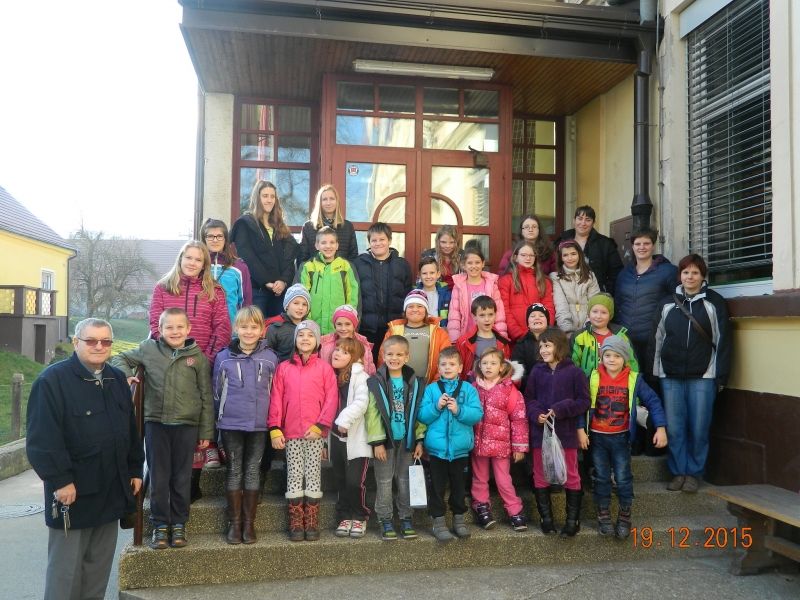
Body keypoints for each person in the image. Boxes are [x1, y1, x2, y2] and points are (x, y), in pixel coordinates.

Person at [26, 318, 144, 600]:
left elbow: (130, 430)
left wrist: (134, 469)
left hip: (111, 490)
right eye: (91, 340)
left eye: (106, 341)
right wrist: (60, 480)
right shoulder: (52, 381)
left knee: (97, 572)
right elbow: (43, 438)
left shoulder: (116, 379)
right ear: (76, 342)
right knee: (65, 575)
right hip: (73, 494)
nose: (99, 346)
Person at [113, 307, 214, 549]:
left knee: (181, 477)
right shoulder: (149, 349)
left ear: (188, 329)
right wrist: (127, 376)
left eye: (180, 327)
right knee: (159, 478)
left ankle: (178, 523)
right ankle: (160, 524)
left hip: (187, 425)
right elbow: (120, 358)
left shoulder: (197, 357)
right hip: (156, 423)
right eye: (169, 327)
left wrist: (206, 432)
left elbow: (206, 396)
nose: (175, 331)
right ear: (160, 329)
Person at [148, 240, 231, 481]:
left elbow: (222, 327)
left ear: (204, 264)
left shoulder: (215, 291)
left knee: (201, 405)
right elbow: (155, 325)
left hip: (202, 359)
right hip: (170, 362)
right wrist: (170, 356)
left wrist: (207, 358)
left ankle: (206, 449)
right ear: (181, 259)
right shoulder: (163, 288)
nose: (192, 263)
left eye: (198, 259)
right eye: (189, 258)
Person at [651, 254, 731, 494]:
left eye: (695, 272)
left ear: (703, 276)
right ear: (680, 275)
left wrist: (721, 375)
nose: (690, 277)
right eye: (686, 272)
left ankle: (694, 473)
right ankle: (678, 472)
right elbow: (657, 339)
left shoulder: (714, 302)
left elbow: (723, 341)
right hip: (671, 375)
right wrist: (655, 371)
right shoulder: (667, 303)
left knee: (699, 428)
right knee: (675, 428)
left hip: (703, 376)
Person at [585, 336, 667, 539]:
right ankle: (603, 514)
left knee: (623, 478)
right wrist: (580, 430)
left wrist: (661, 428)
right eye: (607, 355)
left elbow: (653, 401)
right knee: (601, 477)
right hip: (597, 438)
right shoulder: (593, 377)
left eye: (617, 356)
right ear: (601, 357)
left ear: (625, 359)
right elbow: (582, 406)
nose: (612, 359)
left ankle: (624, 515)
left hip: (621, 438)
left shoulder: (634, 378)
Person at [212, 306, 278, 545]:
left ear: (262, 330)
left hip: (259, 424)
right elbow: (216, 391)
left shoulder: (270, 358)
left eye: (254, 327)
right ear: (236, 328)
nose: (249, 332)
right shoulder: (223, 357)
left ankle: (249, 524)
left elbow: (276, 392)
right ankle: (235, 523)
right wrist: (218, 421)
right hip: (231, 423)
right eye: (244, 327)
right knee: (234, 469)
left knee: (252, 469)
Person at [268, 321, 338, 542]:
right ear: (295, 340)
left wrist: (321, 426)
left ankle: (312, 520)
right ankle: (296, 521)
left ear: (317, 341)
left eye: (310, 335)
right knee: (295, 474)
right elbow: (276, 398)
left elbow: (331, 399)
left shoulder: (324, 368)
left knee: (313, 474)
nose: (305, 339)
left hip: (314, 432)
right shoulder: (284, 368)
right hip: (291, 432)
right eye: (301, 335)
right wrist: (275, 428)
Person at [524, 327, 590, 537]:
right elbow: (528, 399)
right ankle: (546, 519)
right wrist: (536, 414)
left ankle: (572, 521)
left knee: (571, 474)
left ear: (559, 346)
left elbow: (584, 401)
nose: (543, 350)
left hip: (566, 433)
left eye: (548, 345)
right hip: (540, 433)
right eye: (541, 346)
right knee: (540, 474)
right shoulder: (536, 371)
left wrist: (561, 409)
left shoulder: (575, 372)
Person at [418, 347, 483, 541]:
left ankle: (459, 520)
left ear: (460, 367)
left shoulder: (468, 389)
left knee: (458, 487)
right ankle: (438, 521)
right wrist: (436, 406)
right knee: (437, 487)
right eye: (444, 364)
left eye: (452, 364)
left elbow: (477, 414)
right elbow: (422, 415)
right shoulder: (431, 389)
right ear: (438, 367)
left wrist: (458, 410)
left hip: (460, 450)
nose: (447, 367)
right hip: (437, 451)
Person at [365, 335, 426, 541]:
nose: (394, 358)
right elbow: (372, 414)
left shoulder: (415, 382)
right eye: (390, 354)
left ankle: (406, 517)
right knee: (383, 481)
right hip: (386, 442)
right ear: (383, 355)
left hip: (407, 442)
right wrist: (377, 442)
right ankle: (385, 519)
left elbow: (419, 413)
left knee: (405, 479)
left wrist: (419, 439)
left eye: (399, 354)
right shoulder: (376, 382)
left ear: (407, 357)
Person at [470, 347, 529, 532]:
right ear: (479, 365)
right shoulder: (473, 388)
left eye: (493, 363)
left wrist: (519, 447)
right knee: (479, 478)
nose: (488, 367)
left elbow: (519, 419)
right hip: (479, 443)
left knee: (504, 480)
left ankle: (514, 510)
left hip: (501, 445)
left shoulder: (510, 390)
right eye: (485, 363)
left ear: (502, 367)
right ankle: (481, 506)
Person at [613, 229, 678, 382]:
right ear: (632, 246)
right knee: (631, 382)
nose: (642, 247)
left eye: (646, 243)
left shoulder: (668, 271)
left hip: (654, 340)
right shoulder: (624, 274)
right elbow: (618, 303)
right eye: (638, 244)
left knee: (653, 383)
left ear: (653, 246)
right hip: (627, 340)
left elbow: (678, 303)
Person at [231, 180, 299, 319]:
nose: (269, 200)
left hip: (279, 292)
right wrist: (266, 281)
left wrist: (283, 281)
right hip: (257, 290)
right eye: (265, 196)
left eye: (272, 196)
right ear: (257, 197)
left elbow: (289, 258)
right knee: (257, 328)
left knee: (278, 329)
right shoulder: (246, 223)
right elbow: (247, 257)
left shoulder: (279, 226)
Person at [330, 338, 372, 539]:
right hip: (335, 437)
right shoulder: (331, 375)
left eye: (345, 352)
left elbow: (361, 402)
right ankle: (344, 516)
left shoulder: (361, 376)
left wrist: (344, 420)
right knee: (340, 479)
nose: (337, 353)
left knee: (355, 481)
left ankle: (360, 516)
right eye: (337, 349)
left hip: (355, 438)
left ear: (355, 358)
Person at [354, 222, 413, 363]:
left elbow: (407, 294)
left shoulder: (402, 264)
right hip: (367, 328)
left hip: (393, 327)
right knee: (367, 365)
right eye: (374, 240)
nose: (378, 243)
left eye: (382, 239)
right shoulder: (359, 264)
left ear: (389, 241)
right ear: (369, 242)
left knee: (391, 364)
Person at [296, 226, 360, 335]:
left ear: (337, 245)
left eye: (332, 242)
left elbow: (353, 297)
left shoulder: (346, 266)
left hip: (339, 330)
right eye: (323, 242)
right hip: (313, 329)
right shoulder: (308, 266)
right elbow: (302, 296)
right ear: (317, 245)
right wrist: (308, 321)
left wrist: (347, 321)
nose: (328, 246)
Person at [381, 289, 451, 384]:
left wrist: (435, 386)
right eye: (410, 306)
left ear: (426, 310)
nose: (415, 309)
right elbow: (382, 359)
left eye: (420, 306)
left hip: (429, 387)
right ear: (405, 310)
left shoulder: (439, 333)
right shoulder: (393, 331)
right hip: (398, 387)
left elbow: (447, 360)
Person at [556, 205, 623, 293]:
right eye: (580, 218)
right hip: (566, 294)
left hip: (596, 294)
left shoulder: (605, 244)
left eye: (588, 220)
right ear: (574, 220)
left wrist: (606, 291)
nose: (583, 223)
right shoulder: (561, 241)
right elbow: (555, 266)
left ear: (593, 223)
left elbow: (616, 273)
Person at [570, 293, 638, 377]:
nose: (598, 316)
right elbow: (573, 365)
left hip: (615, 383)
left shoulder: (621, 336)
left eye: (604, 312)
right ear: (588, 313)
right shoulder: (579, 337)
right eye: (595, 311)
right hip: (586, 383)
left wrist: (633, 381)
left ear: (610, 315)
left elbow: (631, 363)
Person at [448, 245, 507, 342]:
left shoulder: (491, 285)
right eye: (470, 263)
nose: (474, 266)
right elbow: (454, 315)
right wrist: (455, 340)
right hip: (466, 337)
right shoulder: (459, 286)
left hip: (489, 337)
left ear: (483, 263)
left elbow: (499, 313)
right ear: (463, 265)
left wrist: (501, 339)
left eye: (477, 262)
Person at [499, 240, 554, 342]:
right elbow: (504, 311)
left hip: (540, 337)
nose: (528, 258)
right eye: (523, 255)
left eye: (531, 255)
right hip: (516, 339)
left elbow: (549, 308)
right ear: (515, 257)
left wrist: (544, 331)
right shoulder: (506, 281)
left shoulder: (544, 281)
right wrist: (518, 334)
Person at [201, 217, 253, 324]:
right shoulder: (198, 265)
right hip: (202, 327)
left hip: (231, 327)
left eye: (219, 236)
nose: (215, 240)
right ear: (204, 239)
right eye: (210, 236)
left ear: (225, 239)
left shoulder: (239, 267)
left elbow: (246, 303)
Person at [454, 296, 517, 381]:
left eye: (490, 314)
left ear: (495, 314)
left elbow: (505, 371)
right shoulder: (464, 342)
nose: (487, 319)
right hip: (471, 387)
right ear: (474, 316)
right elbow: (457, 371)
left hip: (495, 387)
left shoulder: (503, 342)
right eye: (482, 315)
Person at [550, 240, 601, 335]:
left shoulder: (590, 276)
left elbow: (595, 303)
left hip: (589, 329)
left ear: (579, 255)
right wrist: (567, 331)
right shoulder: (556, 277)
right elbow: (560, 306)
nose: (570, 258)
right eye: (565, 255)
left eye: (573, 254)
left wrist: (588, 327)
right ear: (561, 258)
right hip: (567, 331)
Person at [298, 184, 358, 262]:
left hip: (342, 269)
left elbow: (353, 257)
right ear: (319, 203)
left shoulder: (347, 227)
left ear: (337, 201)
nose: (328, 203)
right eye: (324, 199)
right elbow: (302, 258)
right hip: (315, 269)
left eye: (332, 199)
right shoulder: (308, 227)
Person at [319, 304, 376, 375]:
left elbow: (370, 371)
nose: (343, 328)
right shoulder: (325, 344)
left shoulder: (363, 345)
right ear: (335, 325)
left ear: (354, 325)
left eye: (347, 324)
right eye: (339, 324)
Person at [265, 284, 311, 362]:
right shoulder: (275, 328)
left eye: (304, 304)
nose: (300, 308)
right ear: (287, 305)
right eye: (296, 303)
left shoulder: (310, 328)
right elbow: (267, 356)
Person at [511, 303, 550, 384]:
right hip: (530, 387)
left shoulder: (557, 341)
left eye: (541, 316)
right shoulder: (521, 344)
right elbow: (519, 372)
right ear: (528, 324)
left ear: (547, 322)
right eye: (532, 316)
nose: (537, 318)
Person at [420, 224, 463, 289]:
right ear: (438, 242)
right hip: (435, 292)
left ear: (456, 243)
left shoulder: (463, 256)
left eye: (451, 242)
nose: (447, 246)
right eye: (443, 242)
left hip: (458, 292)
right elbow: (421, 281)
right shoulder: (429, 255)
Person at [416, 255, 451, 328]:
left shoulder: (446, 294)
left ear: (438, 274)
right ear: (419, 275)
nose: (428, 276)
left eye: (432, 273)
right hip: (421, 330)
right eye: (424, 273)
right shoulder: (414, 295)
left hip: (441, 331)